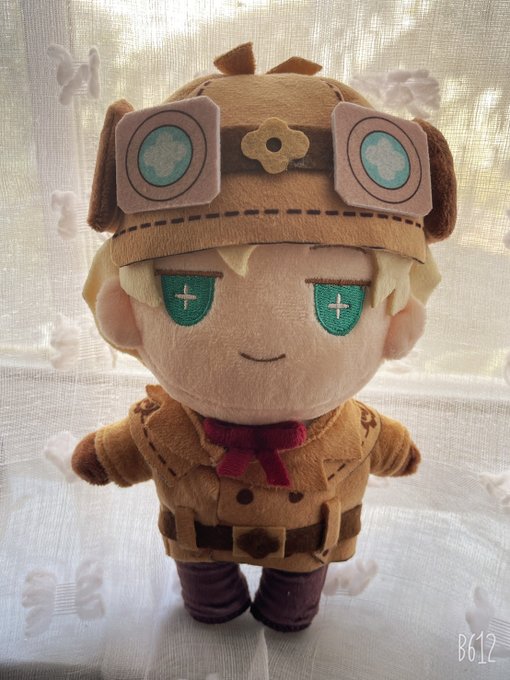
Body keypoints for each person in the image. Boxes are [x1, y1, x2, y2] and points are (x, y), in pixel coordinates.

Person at [72, 42, 456, 632]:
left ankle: (288, 606)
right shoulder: (166, 428)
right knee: (207, 595)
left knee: (294, 602)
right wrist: (105, 455)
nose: (265, 342)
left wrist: (399, 452)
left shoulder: (350, 430)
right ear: (123, 312)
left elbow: (389, 448)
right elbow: (125, 448)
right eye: (189, 294)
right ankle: (214, 603)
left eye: (335, 303)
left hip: (309, 544)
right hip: (198, 542)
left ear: (398, 323)